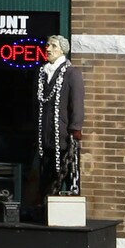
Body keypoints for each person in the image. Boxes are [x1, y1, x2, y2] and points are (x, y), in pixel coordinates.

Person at [35, 34, 83, 200]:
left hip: (63, 137)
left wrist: (75, 129)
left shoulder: (71, 73)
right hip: (45, 137)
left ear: (62, 50)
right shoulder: (42, 73)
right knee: (46, 176)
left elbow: (77, 103)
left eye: (53, 46)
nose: (48, 49)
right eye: (47, 45)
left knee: (65, 173)